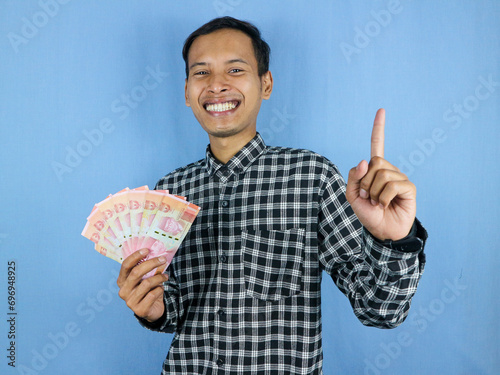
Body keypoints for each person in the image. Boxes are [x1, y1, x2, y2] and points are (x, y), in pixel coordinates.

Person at [117, 16, 427, 374]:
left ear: (266, 84)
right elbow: (177, 306)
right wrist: (154, 309)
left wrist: (395, 240)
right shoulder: (169, 192)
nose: (216, 85)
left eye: (235, 70)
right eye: (201, 73)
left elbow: (380, 310)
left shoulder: (312, 177)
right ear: (186, 92)